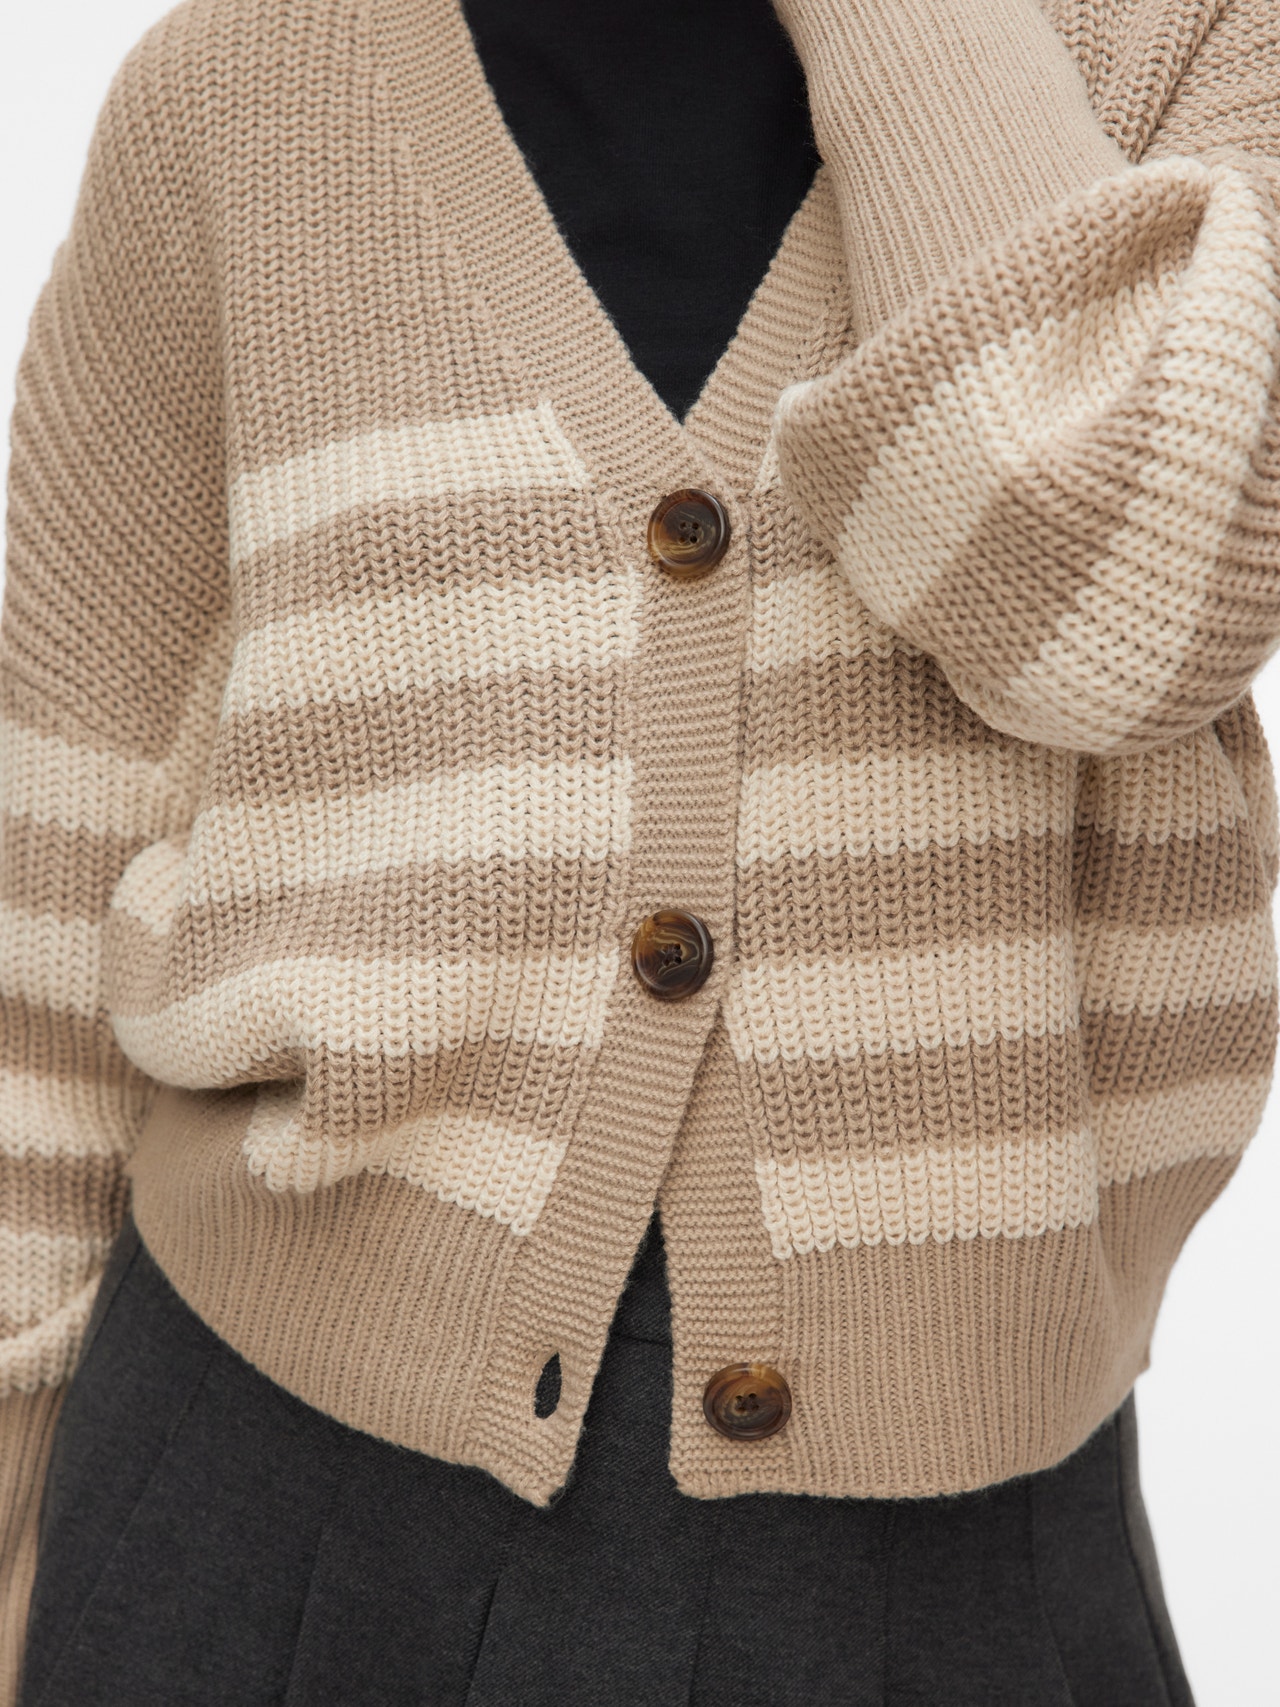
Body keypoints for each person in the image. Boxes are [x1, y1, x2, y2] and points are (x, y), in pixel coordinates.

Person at [2, 0, 1278, 1699]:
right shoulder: (236, 91)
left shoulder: (1192, 49)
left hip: (952, 1581)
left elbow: (1112, 600)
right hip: (251, 1504)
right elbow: (56, 848)